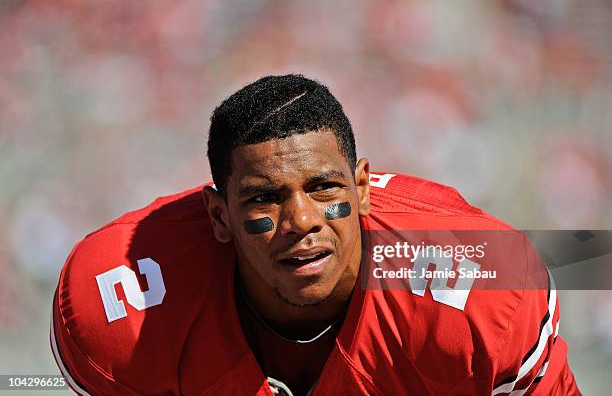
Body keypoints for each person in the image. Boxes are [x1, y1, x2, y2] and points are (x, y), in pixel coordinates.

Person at [51, 74, 580, 395]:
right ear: (218, 216)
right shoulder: (122, 303)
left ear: (364, 189)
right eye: (264, 197)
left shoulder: (486, 288)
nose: (302, 221)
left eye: (325, 187)